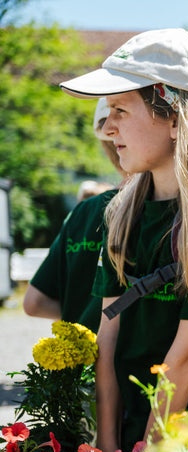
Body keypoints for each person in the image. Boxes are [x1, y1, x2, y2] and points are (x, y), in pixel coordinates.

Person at [60, 28, 188, 452]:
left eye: (120, 109)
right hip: (130, 433)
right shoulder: (121, 213)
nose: (107, 127)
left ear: (175, 119)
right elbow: (107, 340)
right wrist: (108, 449)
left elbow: (187, 359)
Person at [23, 98, 125, 332]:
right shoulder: (160, 208)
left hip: (78, 358)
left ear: (103, 143)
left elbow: (33, 303)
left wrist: (82, 318)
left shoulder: (83, 212)